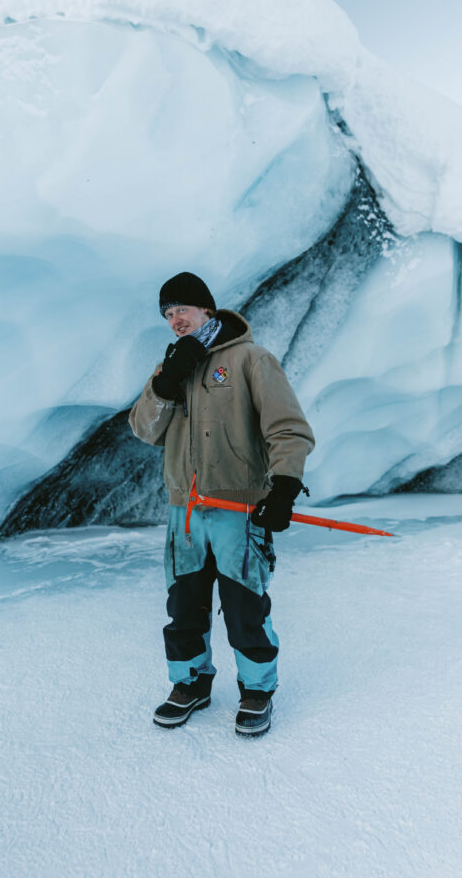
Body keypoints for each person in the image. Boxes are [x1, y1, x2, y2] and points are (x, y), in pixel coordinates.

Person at [129, 272, 314, 736]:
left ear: (206, 310)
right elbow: (143, 429)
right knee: (184, 607)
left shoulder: (251, 359)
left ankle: (256, 691)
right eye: (168, 314)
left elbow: (288, 429)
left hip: (238, 511)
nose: (175, 320)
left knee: (244, 605)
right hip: (184, 514)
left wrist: (284, 487)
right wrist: (169, 380)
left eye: (182, 310)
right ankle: (190, 683)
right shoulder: (169, 367)